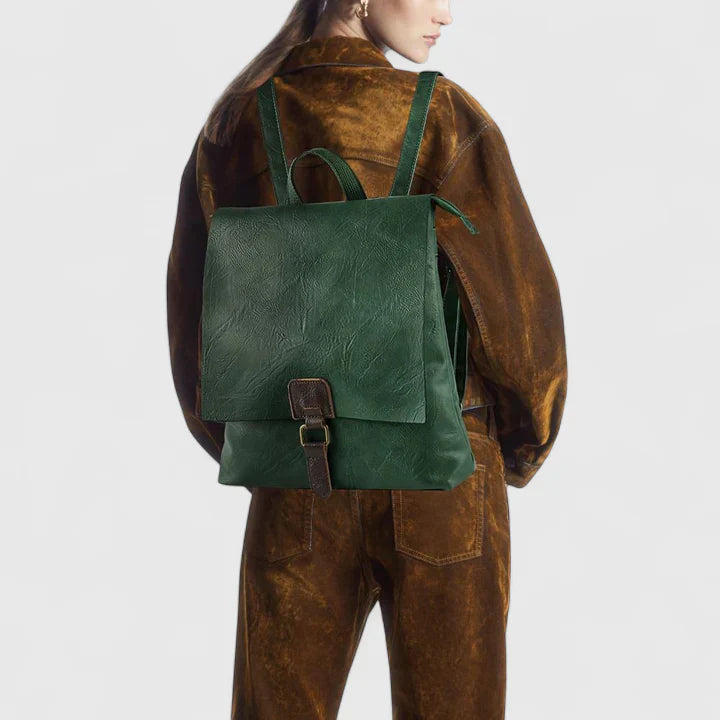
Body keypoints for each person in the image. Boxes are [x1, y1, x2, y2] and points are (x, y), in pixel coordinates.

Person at [166, 1, 568, 718]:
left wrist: (257, 447)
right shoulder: (443, 115)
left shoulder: (233, 125)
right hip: (443, 469)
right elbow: (517, 311)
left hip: (297, 464)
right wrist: (521, 444)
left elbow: (194, 326)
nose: (446, 12)